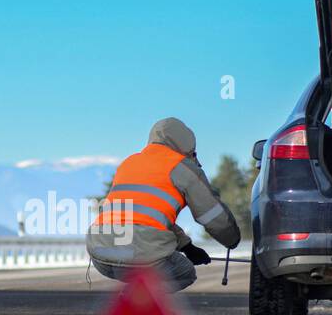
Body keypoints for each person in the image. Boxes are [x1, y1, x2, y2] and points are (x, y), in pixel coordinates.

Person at [87, 117, 241, 292]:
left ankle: (136, 302)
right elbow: (212, 214)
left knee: (141, 264)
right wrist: (232, 240)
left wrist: (187, 247)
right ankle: (137, 301)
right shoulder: (182, 167)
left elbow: (148, 218)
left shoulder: (129, 163)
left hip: (100, 253)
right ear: (186, 143)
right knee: (184, 272)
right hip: (141, 256)